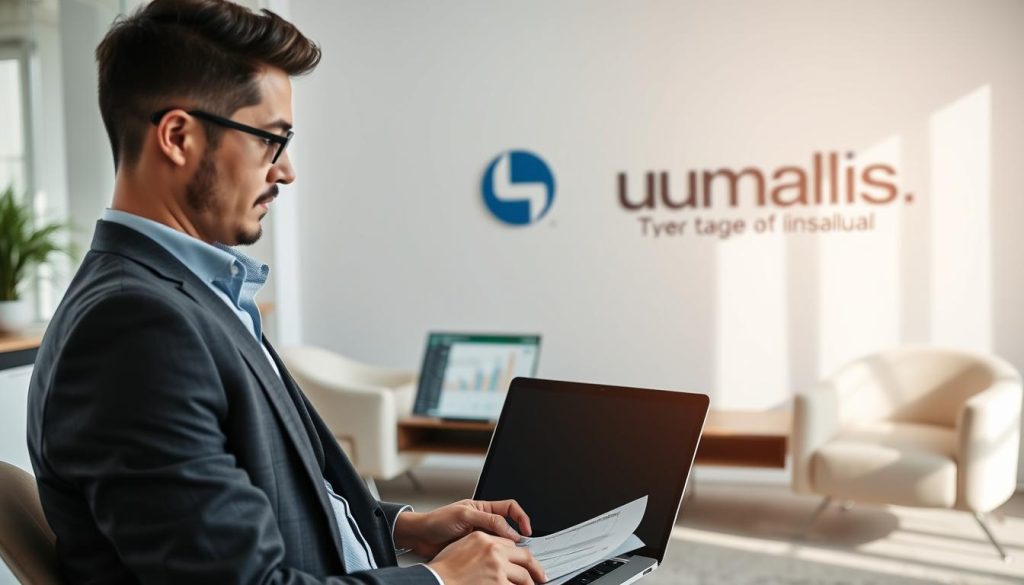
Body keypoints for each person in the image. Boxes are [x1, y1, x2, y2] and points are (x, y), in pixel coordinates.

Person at [25, 1, 546, 584]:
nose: (287, 170)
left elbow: (276, 495)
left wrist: (404, 527)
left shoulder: (192, 294)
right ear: (177, 136)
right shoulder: (135, 328)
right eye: (271, 140)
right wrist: (443, 580)